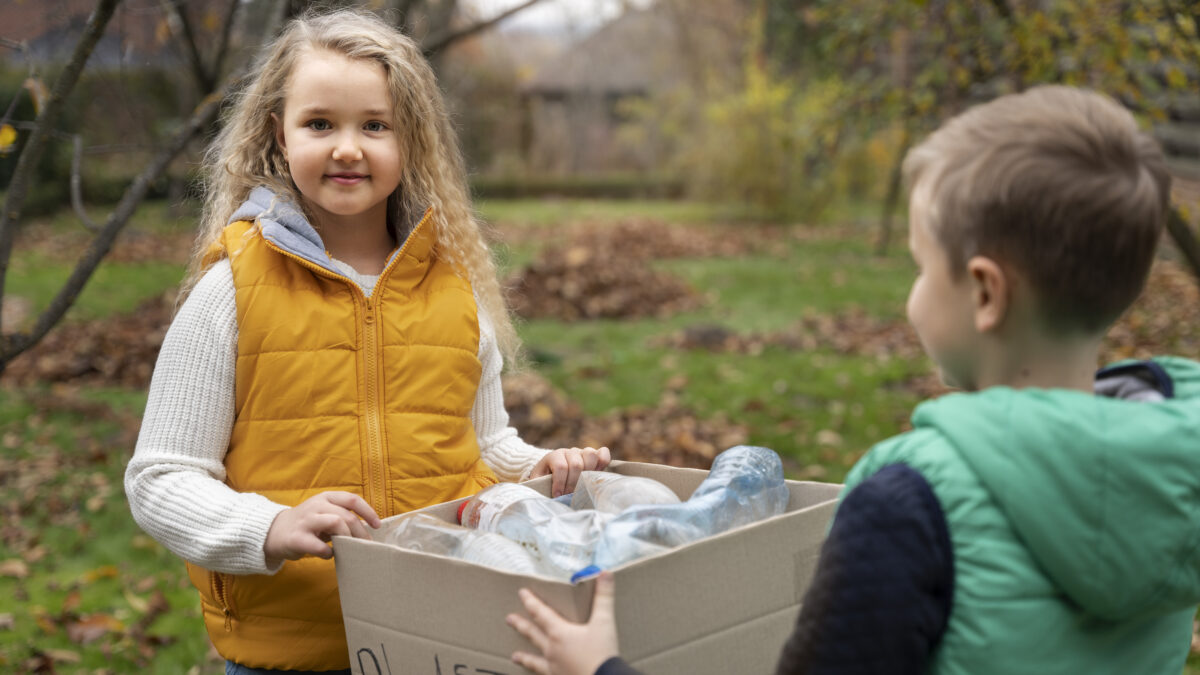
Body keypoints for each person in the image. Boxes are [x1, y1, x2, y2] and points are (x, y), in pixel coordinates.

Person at [504, 84, 1200, 675]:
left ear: (985, 294)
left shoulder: (908, 505)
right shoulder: (1173, 473)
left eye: (922, 266)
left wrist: (602, 666)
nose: (913, 292)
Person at [124, 8, 609, 674]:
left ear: (410, 139)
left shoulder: (453, 287)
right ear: (279, 133)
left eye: (374, 125)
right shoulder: (231, 291)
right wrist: (269, 526)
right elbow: (161, 477)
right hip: (292, 651)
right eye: (320, 123)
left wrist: (541, 469)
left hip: (437, 638)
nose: (348, 147)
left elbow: (485, 444)